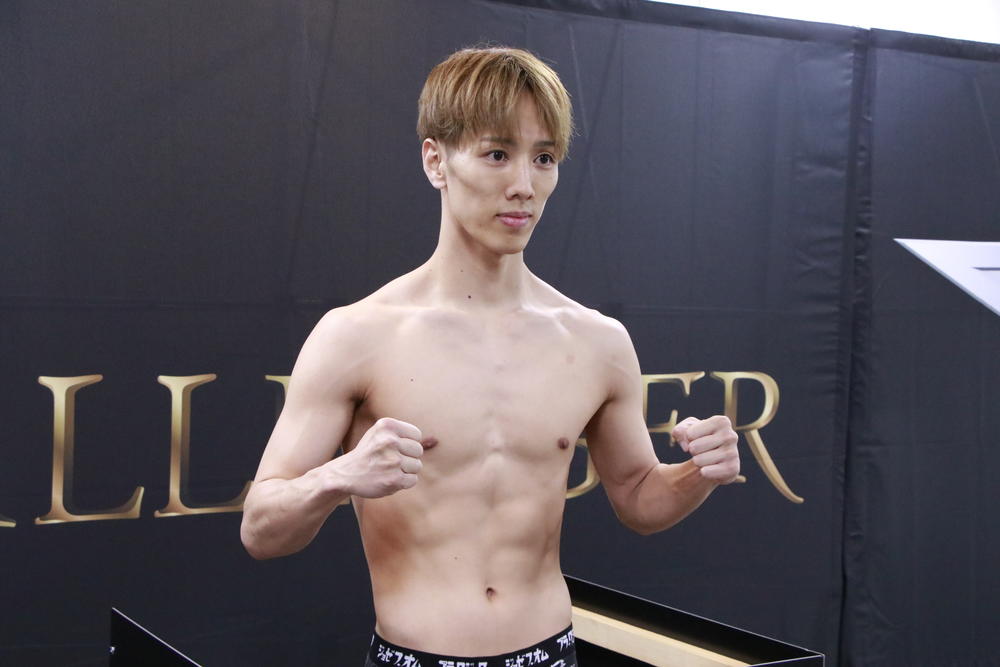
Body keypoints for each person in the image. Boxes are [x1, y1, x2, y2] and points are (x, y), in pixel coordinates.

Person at [240, 46, 740, 667]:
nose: (524, 186)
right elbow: (261, 530)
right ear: (436, 161)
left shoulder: (597, 341)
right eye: (497, 154)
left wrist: (699, 473)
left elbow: (640, 499)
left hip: (549, 654)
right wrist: (338, 476)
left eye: (544, 158)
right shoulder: (357, 335)